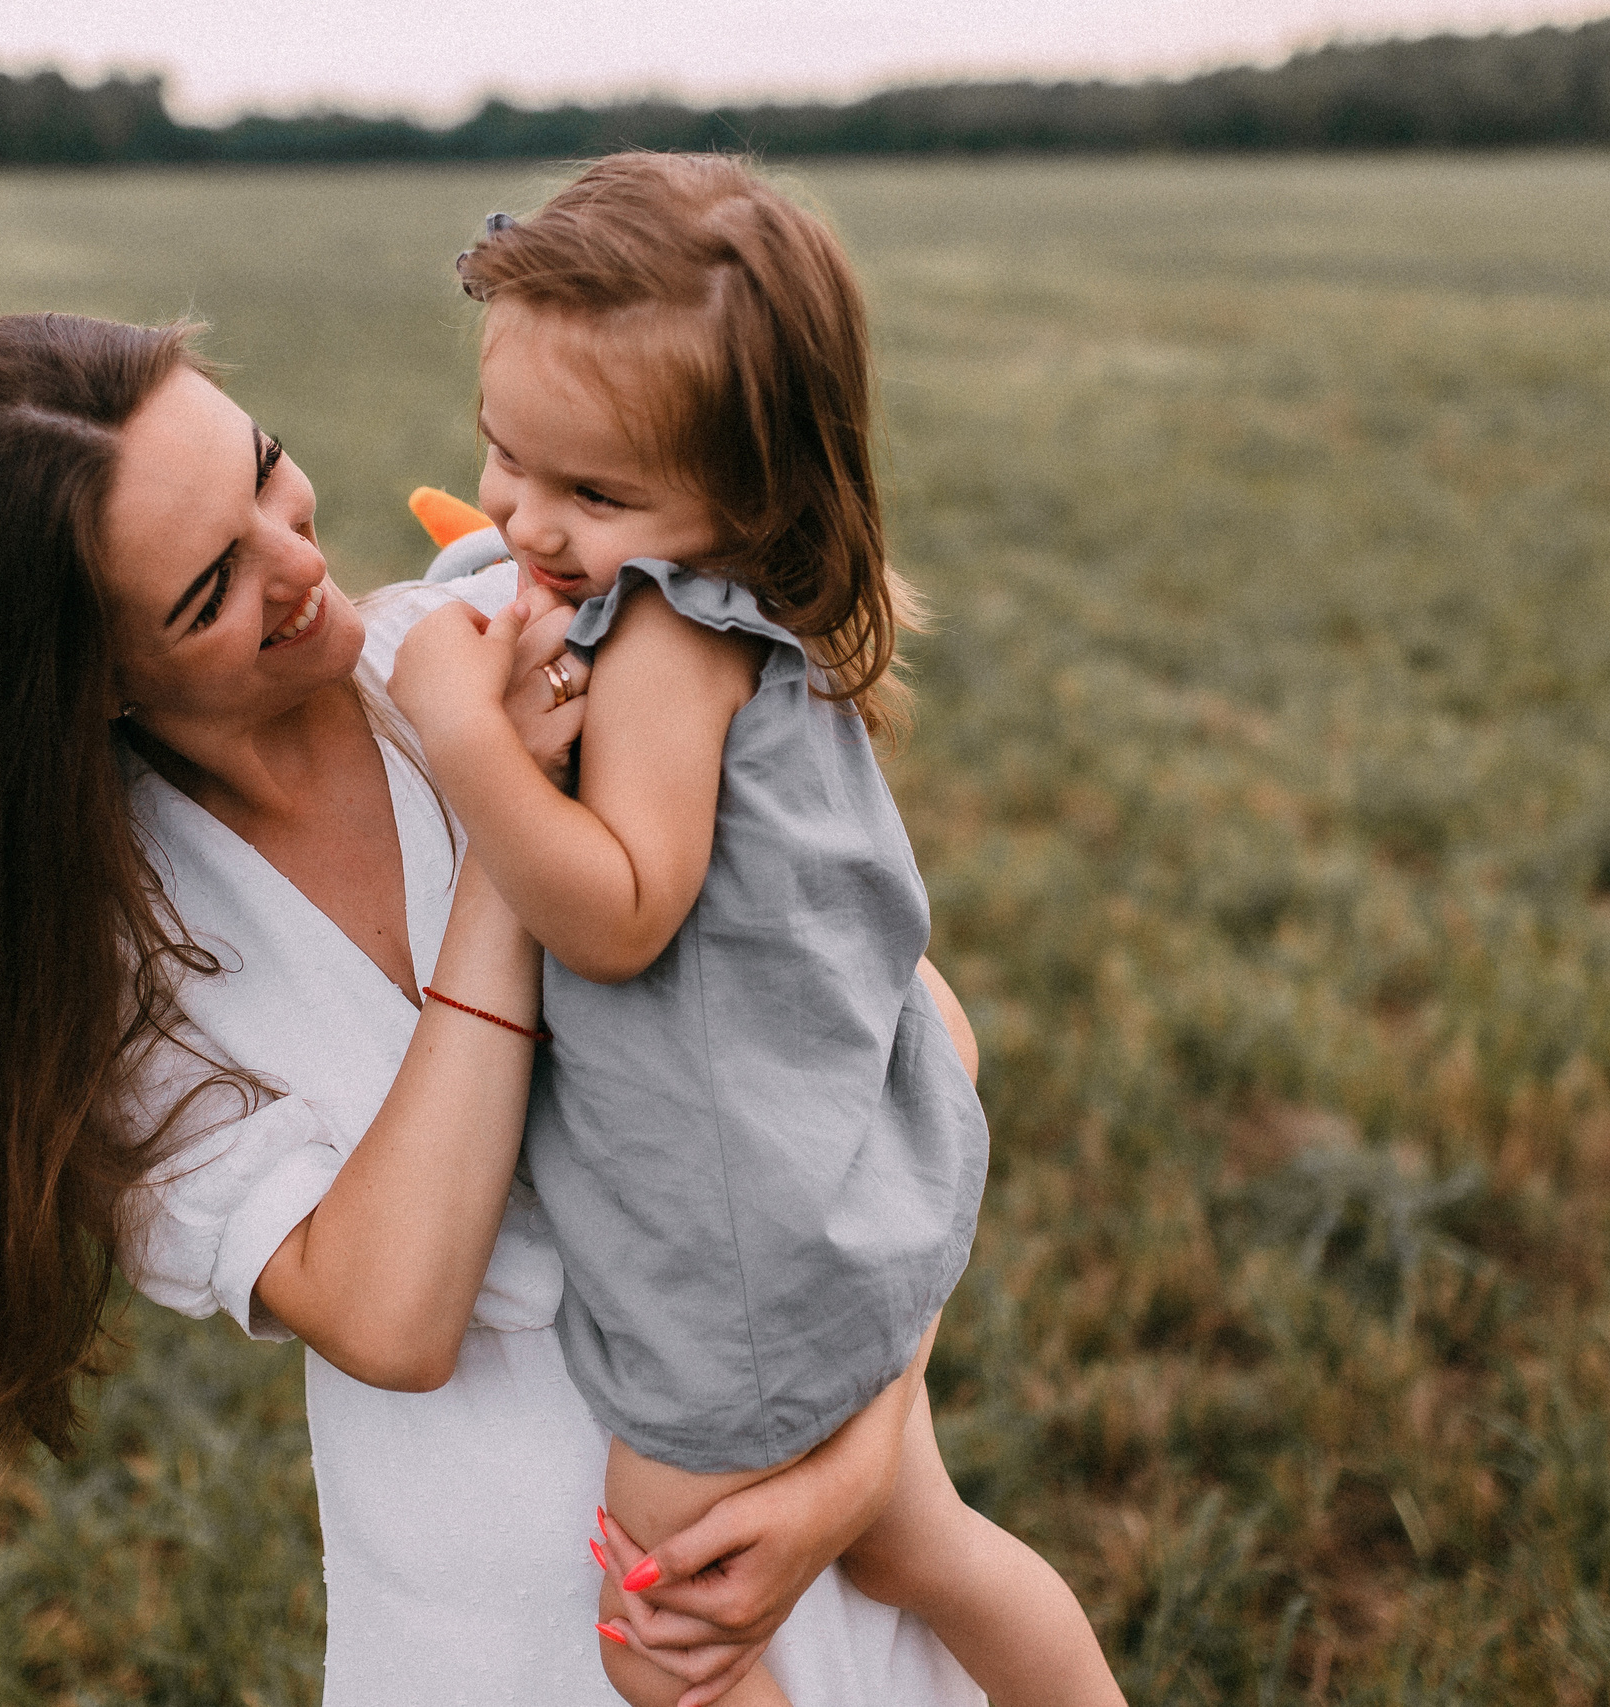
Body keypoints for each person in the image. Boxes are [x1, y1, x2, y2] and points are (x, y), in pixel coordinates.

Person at [0, 309, 992, 1704]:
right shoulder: (100, 972)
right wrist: (508, 841)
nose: (306, 568)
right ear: (76, 686)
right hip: (505, 1603)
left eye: (265, 474)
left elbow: (900, 1048)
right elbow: (394, 1312)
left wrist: (850, 1479)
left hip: (810, 1448)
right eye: (210, 593)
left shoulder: (519, 639)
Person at [389, 154, 1123, 1707]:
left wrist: (464, 737)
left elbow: (618, 915)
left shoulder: (665, 639)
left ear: (756, 495)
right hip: (831, 1174)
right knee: (931, 1548)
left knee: (667, 1646)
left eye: (594, 495)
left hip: (728, 1268)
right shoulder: (715, 608)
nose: (531, 517)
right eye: (505, 458)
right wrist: (512, 550)